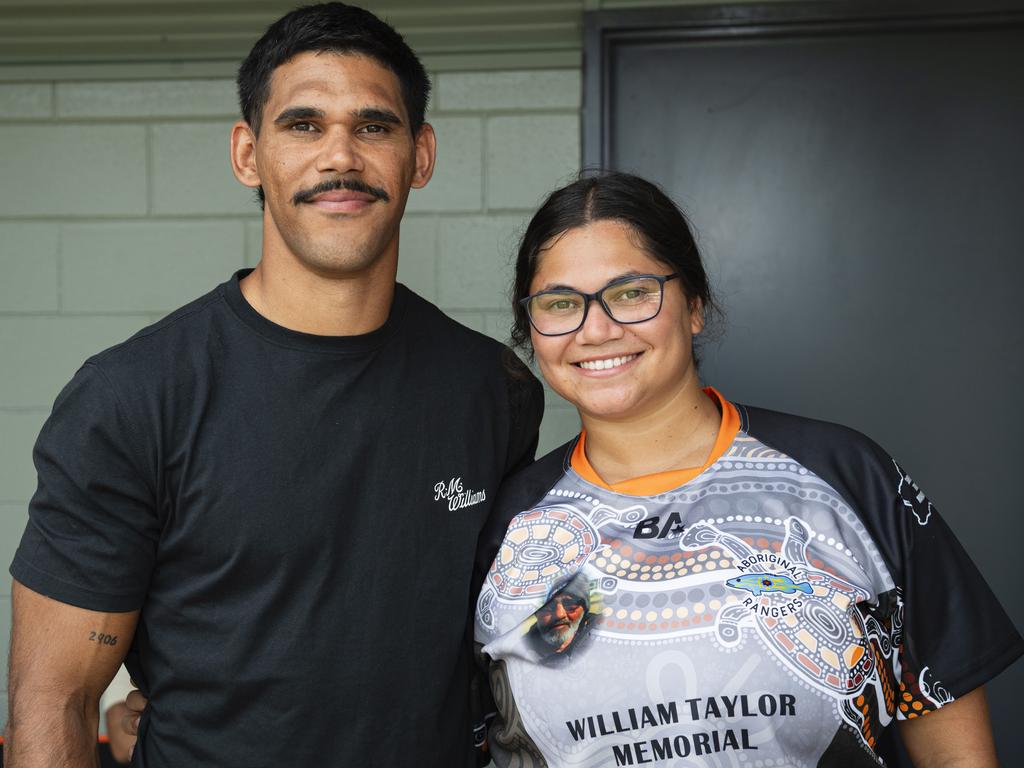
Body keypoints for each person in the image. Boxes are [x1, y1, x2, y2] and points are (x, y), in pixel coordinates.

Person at [4, 3, 542, 766]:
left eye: (373, 126)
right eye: (303, 125)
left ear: (420, 155)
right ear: (248, 154)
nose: (340, 159)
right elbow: (53, 703)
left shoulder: (494, 387)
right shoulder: (132, 398)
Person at [473, 172, 1024, 767]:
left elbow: (956, 753)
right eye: (560, 304)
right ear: (531, 328)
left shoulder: (844, 477)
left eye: (631, 293)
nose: (597, 328)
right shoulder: (510, 523)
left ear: (694, 307)